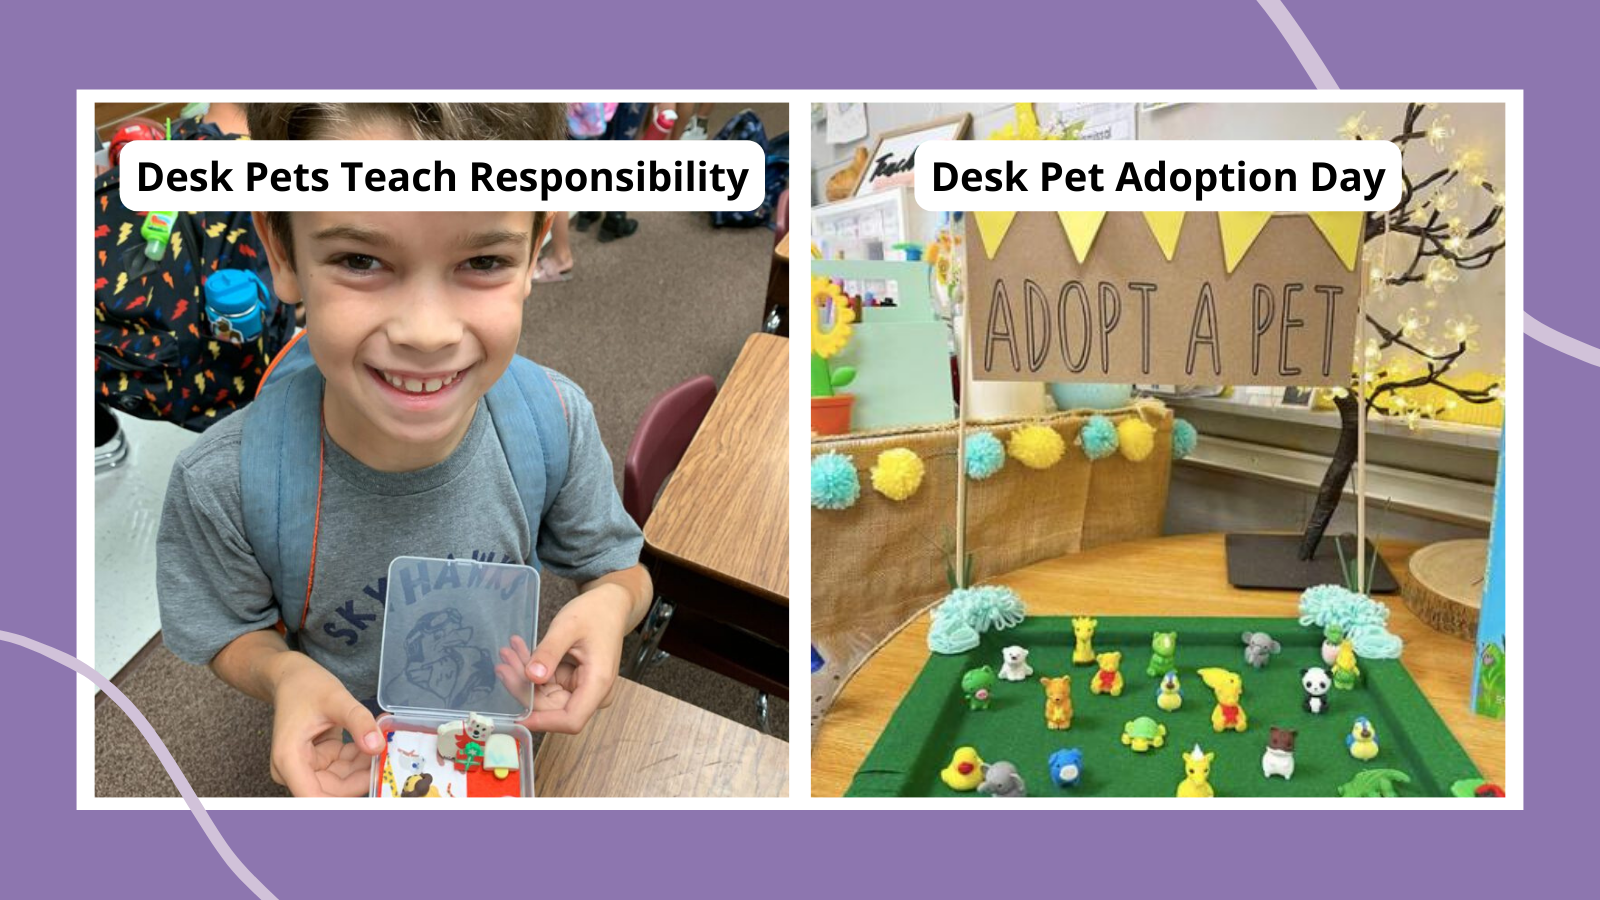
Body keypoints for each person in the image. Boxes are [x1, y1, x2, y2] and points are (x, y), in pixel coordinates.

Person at [155, 103, 652, 797]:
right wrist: (284, 673)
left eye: (482, 260)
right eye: (360, 259)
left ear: (536, 247)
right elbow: (229, 627)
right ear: (284, 254)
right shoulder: (226, 485)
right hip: (349, 759)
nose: (426, 332)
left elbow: (621, 570)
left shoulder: (554, 420)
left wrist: (609, 608)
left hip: (496, 743)